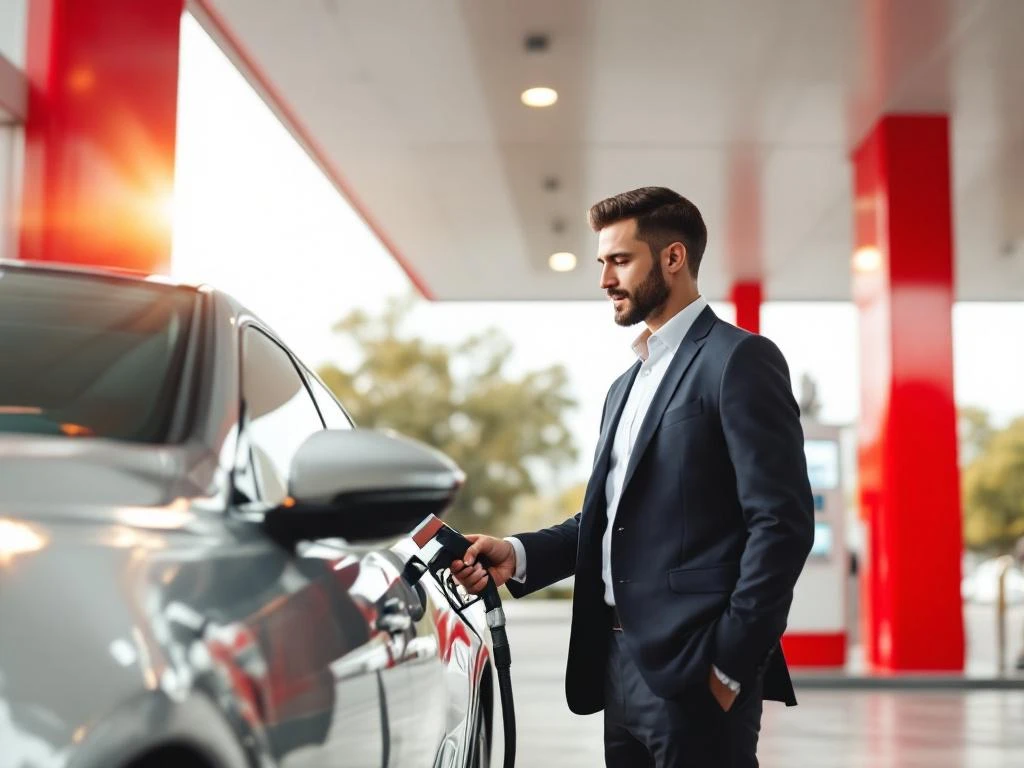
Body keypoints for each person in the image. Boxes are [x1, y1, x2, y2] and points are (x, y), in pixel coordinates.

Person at [451, 186, 815, 767]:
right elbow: (606, 523)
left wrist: (728, 665)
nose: (604, 279)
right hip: (617, 668)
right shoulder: (625, 386)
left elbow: (782, 525)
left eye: (619, 260)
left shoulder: (739, 360)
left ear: (673, 258)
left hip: (698, 672)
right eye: (602, 263)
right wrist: (516, 554)